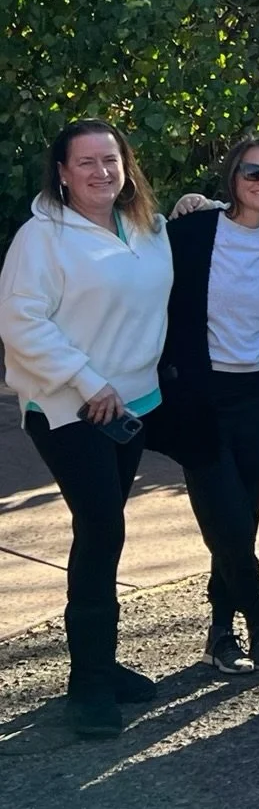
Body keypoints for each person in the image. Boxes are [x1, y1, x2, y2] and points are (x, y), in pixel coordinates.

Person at [1, 120, 174, 737]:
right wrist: (86, 381)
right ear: (63, 173)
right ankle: (89, 685)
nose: (102, 172)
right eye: (86, 162)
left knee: (107, 530)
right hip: (70, 408)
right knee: (100, 530)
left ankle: (103, 662)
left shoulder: (146, 226)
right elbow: (21, 322)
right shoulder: (41, 237)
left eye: (111, 159)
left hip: (132, 404)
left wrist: (199, 206)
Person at [149, 136, 259, 676]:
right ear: (232, 175)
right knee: (228, 518)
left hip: (257, 396)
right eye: (253, 172)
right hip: (199, 397)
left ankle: (219, 631)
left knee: (241, 517)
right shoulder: (192, 232)